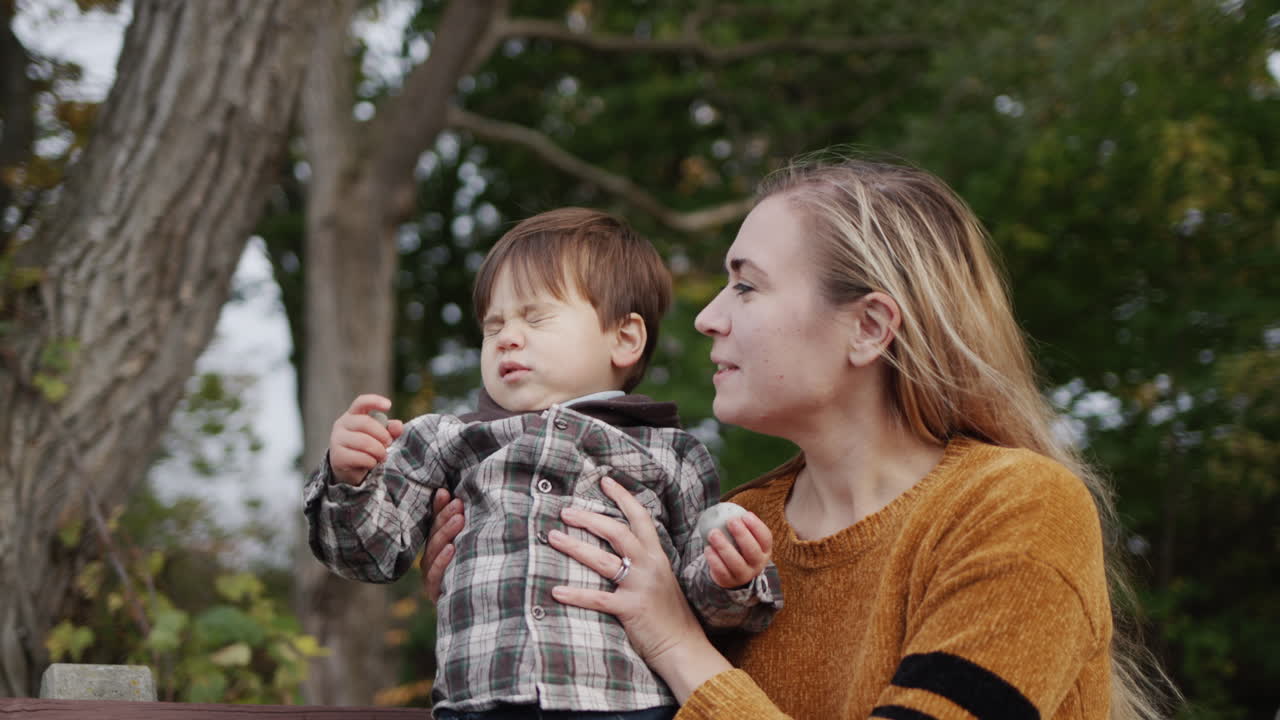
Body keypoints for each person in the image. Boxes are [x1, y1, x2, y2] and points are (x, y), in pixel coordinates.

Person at [421, 158, 1169, 720]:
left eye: (746, 285)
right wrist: (500, 596)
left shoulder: (1016, 508)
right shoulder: (737, 541)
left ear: (869, 328)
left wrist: (677, 642)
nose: (710, 317)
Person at [304, 207, 782, 720]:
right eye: (493, 326)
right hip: (481, 702)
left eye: (536, 318)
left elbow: (704, 609)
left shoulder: (670, 452)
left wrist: (729, 579)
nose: (507, 336)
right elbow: (365, 554)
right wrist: (349, 477)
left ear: (624, 339)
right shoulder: (446, 439)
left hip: (622, 703)